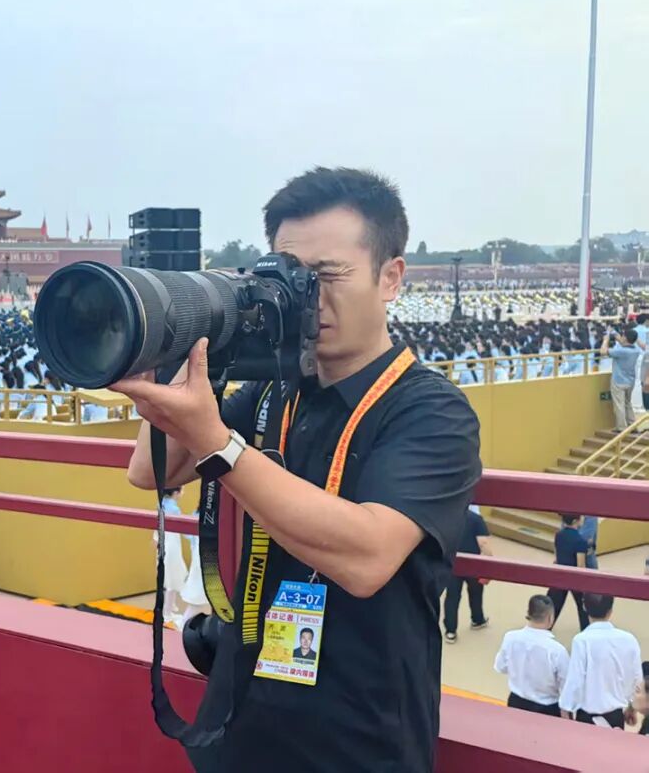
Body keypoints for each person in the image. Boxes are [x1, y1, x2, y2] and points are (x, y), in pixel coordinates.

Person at [114, 167, 482, 772]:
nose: (309, 297)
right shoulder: (270, 392)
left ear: (391, 278)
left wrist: (219, 445)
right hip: (236, 728)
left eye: (328, 276)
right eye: (290, 278)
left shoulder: (431, 410)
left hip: (356, 744)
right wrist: (188, 345)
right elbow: (149, 471)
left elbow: (367, 558)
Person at [558, 593, 643, 728]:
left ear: (584, 607)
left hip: (586, 717)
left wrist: (565, 709)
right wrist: (632, 707)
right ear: (611, 610)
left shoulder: (581, 640)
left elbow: (575, 680)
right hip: (615, 717)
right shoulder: (629, 640)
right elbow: (637, 678)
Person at [493, 594, 569, 717]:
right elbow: (566, 686)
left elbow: (500, 667)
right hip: (547, 708)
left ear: (529, 613)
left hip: (516, 702)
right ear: (550, 618)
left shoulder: (510, 638)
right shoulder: (557, 651)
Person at [442, 506, 492, 643]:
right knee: (476, 592)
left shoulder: (448, 517)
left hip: (454, 562)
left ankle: (450, 631)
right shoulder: (476, 519)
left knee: (452, 597)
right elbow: (483, 543)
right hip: (473, 563)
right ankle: (477, 619)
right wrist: (489, 564)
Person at [152, 487, 189, 629]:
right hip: (171, 546)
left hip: (163, 544)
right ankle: (167, 614)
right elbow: (183, 528)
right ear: (176, 493)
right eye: (182, 490)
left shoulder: (161, 504)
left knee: (169, 578)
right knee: (172, 581)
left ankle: (170, 607)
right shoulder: (173, 509)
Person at [547, 514, 590, 632]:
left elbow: (556, 557)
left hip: (560, 574)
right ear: (576, 521)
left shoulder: (558, 535)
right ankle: (586, 631)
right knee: (583, 607)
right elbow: (580, 565)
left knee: (553, 605)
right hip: (574, 577)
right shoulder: (580, 541)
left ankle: (543, 629)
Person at [600, 326, 642, 431]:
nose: (621, 337)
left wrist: (606, 340)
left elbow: (603, 352)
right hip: (630, 381)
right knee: (628, 403)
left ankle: (621, 428)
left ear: (625, 338)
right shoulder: (636, 350)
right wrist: (615, 334)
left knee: (619, 405)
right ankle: (632, 426)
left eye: (622, 336)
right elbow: (625, 343)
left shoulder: (620, 351)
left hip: (618, 381)